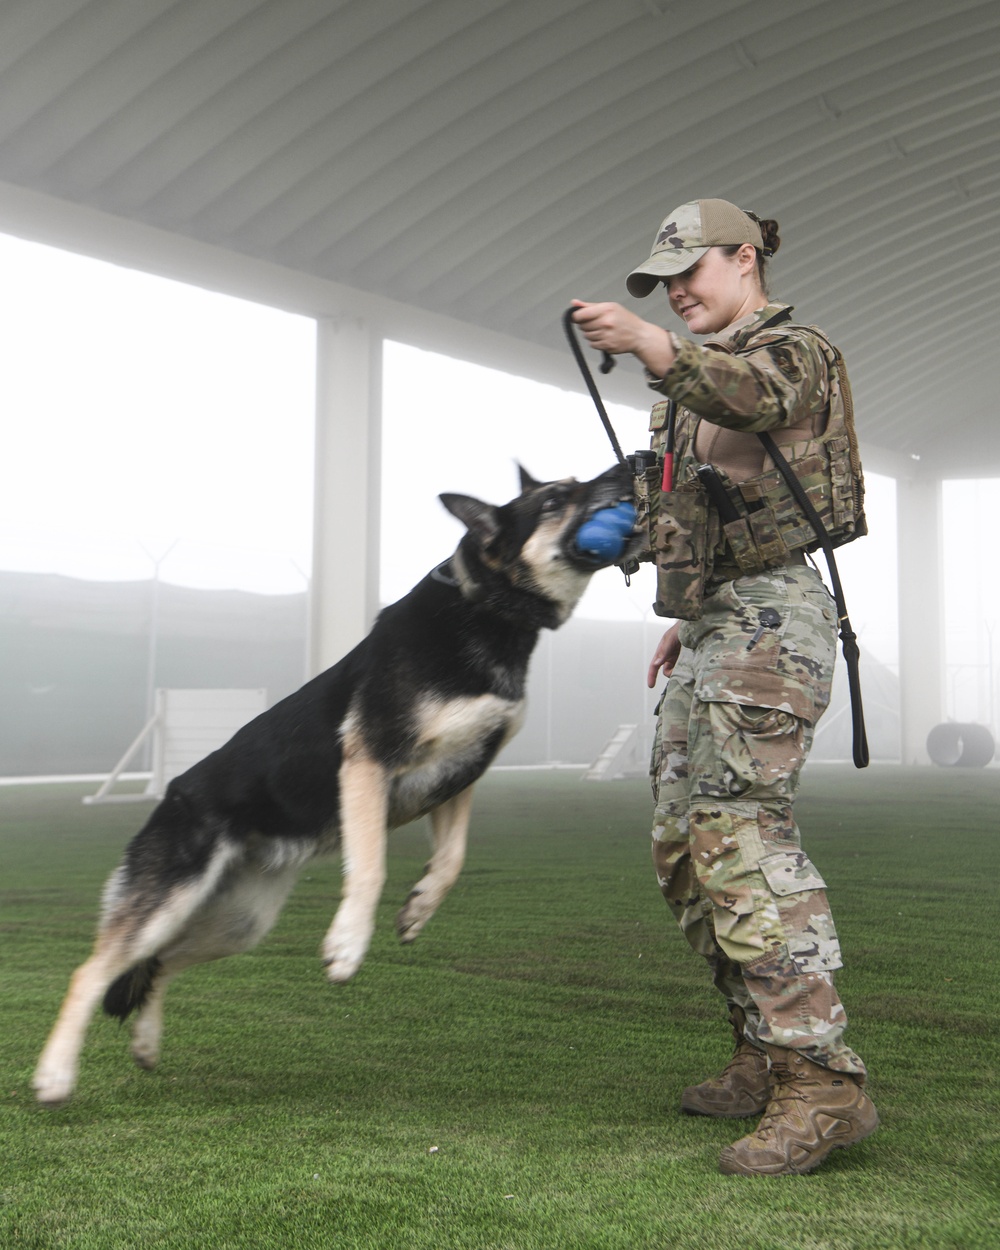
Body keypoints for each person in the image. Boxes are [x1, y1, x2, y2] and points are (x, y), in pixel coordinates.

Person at [571, 199, 877, 1176]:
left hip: (771, 616)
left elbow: (757, 402)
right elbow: (703, 501)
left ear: (745, 258)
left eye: (690, 270)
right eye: (664, 279)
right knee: (682, 848)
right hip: (714, 621)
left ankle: (821, 1082)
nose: (676, 291)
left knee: (740, 839)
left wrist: (657, 346)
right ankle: (760, 1043)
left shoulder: (796, 352)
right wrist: (678, 609)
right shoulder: (683, 384)